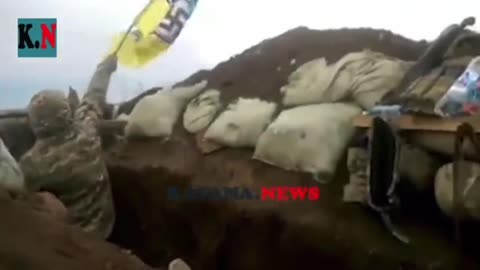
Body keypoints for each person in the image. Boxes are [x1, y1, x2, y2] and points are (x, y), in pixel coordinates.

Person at [19, 54, 118, 239]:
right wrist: (104, 68)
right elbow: (94, 97)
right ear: (66, 111)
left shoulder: (30, 165)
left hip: (72, 246)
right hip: (107, 229)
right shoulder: (88, 132)